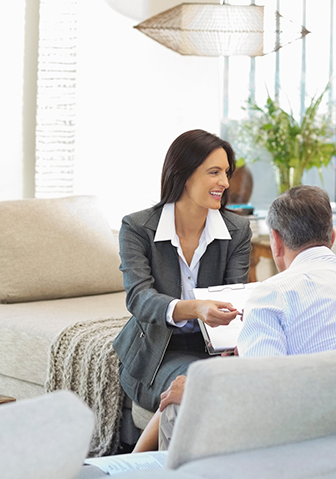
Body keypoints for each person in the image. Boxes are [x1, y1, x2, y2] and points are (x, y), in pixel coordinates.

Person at [154, 185, 336, 450]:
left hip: (309, 437)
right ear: (331, 237)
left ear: (276, 240)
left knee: (178, 403)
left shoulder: (271, 294)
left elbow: (265, 397)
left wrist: (199, 390)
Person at [112, 129, 252, 452]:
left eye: (226, 172)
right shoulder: (137, 228)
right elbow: (139, 298)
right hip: (156, 354)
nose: (225, 182)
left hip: (215, 351)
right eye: (214, 172)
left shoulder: (237, 230)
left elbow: (234, 297)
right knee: (197, 384)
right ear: (184, 175)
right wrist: (195, 308)